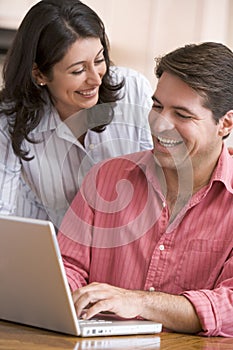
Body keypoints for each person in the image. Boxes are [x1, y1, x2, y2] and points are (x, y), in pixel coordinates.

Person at [57, 42, 233, 337]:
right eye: (157, 106)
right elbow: (67, 267)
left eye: (183, 115)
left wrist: (138, 301)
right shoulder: (106, 178)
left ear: (225, 123)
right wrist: (59, 291)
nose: (161, 124)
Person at [0, 0, 153, 228]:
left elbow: (155, 183)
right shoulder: (10, 118)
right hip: (54, 247)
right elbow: (4, 212)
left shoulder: (133, 90)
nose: (96, 79)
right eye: (78, 70)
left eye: (99, 60)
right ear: (39, 73)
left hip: (124, 243)